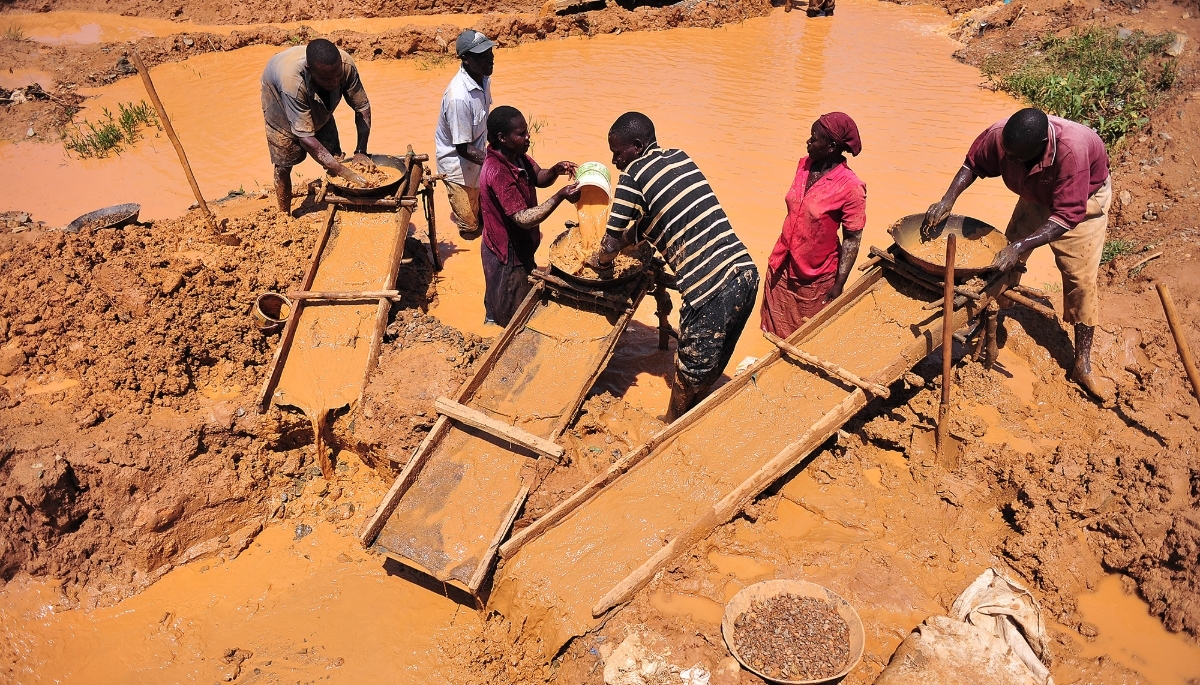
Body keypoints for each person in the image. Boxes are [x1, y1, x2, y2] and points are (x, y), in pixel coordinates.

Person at [923, 107, 1112, 399]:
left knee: (1080, 279)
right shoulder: (1000, 137)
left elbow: (1066, 215)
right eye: (1005, 154)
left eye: (1014, 158)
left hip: (1082, 202)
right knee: (1003, 258)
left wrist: (1021, 245)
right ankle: (993, 312)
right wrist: (947, 199)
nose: (1006, 161)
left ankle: (1082, 363)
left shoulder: (1071, 152)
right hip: (1036, 192)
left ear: (1040, 149)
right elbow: (972, 165)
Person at [586, 112, 759, 422]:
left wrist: (597, 261)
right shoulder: (678, 158)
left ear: (637, 147)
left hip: (710, 288)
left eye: (617, 153)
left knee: (688, 368)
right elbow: (652, 222)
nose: (614, 162)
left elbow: (611, 244)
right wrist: (627, 240)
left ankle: (668, 425)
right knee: (711, 361)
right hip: (745, 272)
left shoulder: (633, 175)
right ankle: (696, 412)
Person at [761, 112, 865, 339]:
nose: (808, 142)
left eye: (814, 138)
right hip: (782, 265)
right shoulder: (804, 166)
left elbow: (852, 238)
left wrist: (840, 283)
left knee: (808, 338)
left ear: (831, 147)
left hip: (815, 278)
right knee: (775, 334)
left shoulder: (851, 187)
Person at [479, 106, 579, 326]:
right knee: (509, 312)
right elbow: (523, 218)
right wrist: (560, 196)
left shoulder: (517, 157)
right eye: (521, 134)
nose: (528, 138)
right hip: (506, 251)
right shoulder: (498, 172)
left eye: (527, 132)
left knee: (507, 297)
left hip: (519, 245)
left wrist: (555, 170)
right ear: (502, 138)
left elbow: (538, 177)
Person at [261, 38, 373, 214]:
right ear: (309, 70)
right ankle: (284, 213)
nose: (335, 82)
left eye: (338, 75)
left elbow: (362, 108)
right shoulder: (292, 83)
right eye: (328, 79)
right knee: (284, 164)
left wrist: (361, 151)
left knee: (335, 157)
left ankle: (343, 206)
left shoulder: (346, 65)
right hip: (279, 103)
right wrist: (346, 172)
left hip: (319, 104)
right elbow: (305, 138)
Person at [436, 29, 496, 239]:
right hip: (458, 169)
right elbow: (462, 148)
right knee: (471, 229)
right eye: (482, 55)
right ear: (466, 59)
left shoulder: (483, 78)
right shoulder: (458, 97)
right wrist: (497, 162)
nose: (490, 58)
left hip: (478, 159)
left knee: (486, 215)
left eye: (490, 52)